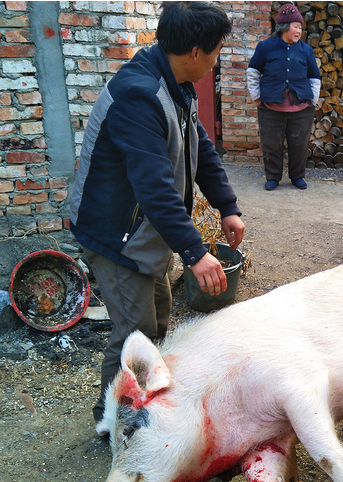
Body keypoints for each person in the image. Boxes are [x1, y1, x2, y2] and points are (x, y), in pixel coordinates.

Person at [69, 1, 245, 425]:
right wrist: (195, 251)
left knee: (160, 315)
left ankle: (141, 396)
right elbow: (154, 187)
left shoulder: (177, 85)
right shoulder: (139, 95)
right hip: (114, 234)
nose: (218, 61)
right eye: (218, 52)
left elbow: (201, 150)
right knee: (135, 333)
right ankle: (111, 420)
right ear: (196, 52)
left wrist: (227, 206)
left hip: (142, 231)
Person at [247, 3, 321, 191]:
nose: (299, 31)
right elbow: (253, 71)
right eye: (296, 26)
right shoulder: (265, 47)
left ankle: (297, 176)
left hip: (301, 108)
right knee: (272, 144)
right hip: (271, 107)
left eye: (301, 28)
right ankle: (273, 177)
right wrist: (256, 97)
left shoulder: (306, 50)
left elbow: (314, 77)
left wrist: (313, 100)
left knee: (299, 144)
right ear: (284, 27)